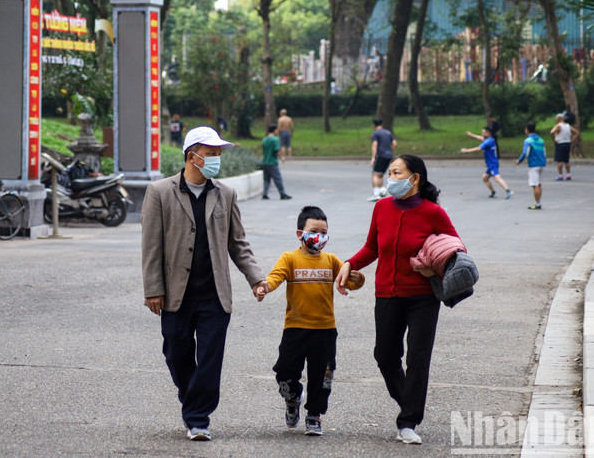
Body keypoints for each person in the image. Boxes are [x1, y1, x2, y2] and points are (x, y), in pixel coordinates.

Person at [141, 126, 267, 442]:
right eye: (211, 154)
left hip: (214, 295)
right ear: (191, 156)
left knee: (210, 360)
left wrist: (256, 279)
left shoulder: (226, 194)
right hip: (175, 294)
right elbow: (151, 245)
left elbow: (238, 243)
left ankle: (198, 419)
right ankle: (193, 401)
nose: (216, 160)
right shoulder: (160, 192)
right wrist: (153, 288)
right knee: (176, 354)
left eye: (218, 154)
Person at [335, 154, 461, 445]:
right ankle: (410, 401)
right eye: (390, 173)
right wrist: (349, 264)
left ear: (414, 178)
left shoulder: (433, 213)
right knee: (385, 355)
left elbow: (456, 250)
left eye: (396, 173)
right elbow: (371, 247)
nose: (391, 178)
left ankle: (408, 421)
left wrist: (435, 267)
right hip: (387, 294)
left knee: (418, 358)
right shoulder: (381, 208)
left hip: (422, 298)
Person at [255, 206, 364, 436]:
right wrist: (265, 286)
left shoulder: (331, 261)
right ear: (299, 233)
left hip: (325, 330)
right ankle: (293, 397)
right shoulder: (290, 258)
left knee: (322, 377)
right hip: (295, 328)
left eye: (324, 232)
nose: (320, 237)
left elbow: (351, 282)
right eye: (314, 231)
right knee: (284, 372)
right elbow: (275, 277)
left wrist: (357, 277)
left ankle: (314, 415)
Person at [461, 127, 513, 199]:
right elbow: (481, 138)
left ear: (488, 133)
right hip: (491, 163)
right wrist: (472, 135)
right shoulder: (491, 140)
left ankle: (508, 191)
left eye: (483, 132)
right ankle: (493, 192)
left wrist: (466, 150)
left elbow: (479, 148)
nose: (482, 134)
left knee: (497, 178)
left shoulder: (488, 142)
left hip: (492, 163)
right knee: (485, 178)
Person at [516, 122, 546, 210]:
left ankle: (537, 203)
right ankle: (538, 202)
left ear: (526, 130)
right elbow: (544, 152)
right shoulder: (541, 140)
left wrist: (519, 161)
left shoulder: (528, 141)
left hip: (533, 164)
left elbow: (525, 153)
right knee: (538, 183)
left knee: (535, 184)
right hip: (541, 163)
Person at [261, 124, 292, 201]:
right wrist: (282, 157)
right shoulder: (275, 139)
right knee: (278, 178)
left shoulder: (264, 139)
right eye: (276, 130)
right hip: (272, 162)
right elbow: (276, 150)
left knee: (266, 179)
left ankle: (265, 194)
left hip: (265, 162)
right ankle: (282, 194)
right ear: (274, 130)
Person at [368, 119, 397, 201]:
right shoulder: (388, 132)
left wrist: (373, 157)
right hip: (389, 156)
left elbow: (374, 145)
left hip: (380, 155)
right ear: (382, 124)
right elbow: (395, 143)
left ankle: (376, 194)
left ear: (374, 125)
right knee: (380, 174)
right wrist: (390, 151)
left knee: (375, 174)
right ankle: (380, 192)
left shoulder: (375, 133)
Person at [549, 113, 579, 181]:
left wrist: (554, 140)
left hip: (560, 143)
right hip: (567, 143)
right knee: (566, 160)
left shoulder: (558, 126)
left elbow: (551, 132)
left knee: (559, 160)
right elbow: (576, 132)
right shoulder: (568, 126)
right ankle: (568, 174)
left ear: (558, 119)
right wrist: (571, 140)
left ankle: (560, 175)